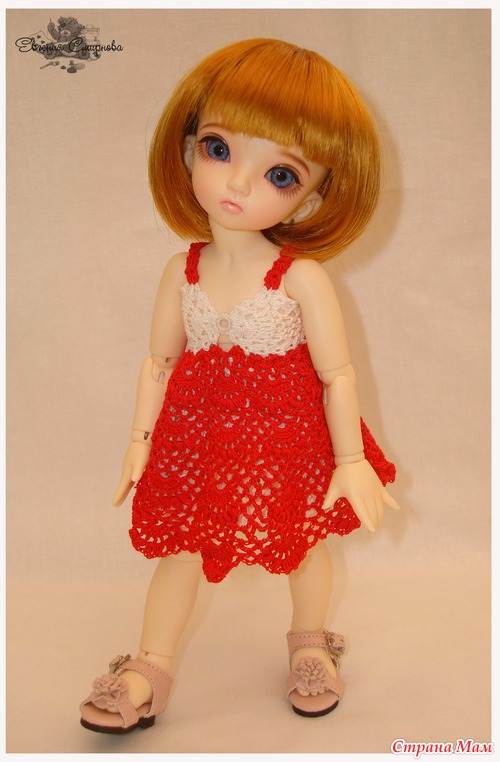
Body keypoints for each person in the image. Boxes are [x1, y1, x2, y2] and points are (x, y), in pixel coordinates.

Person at [80, 38, 399, 734]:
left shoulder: (301, 278)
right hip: (198, 440)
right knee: (180, 548)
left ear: (318, 193)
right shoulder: (181, 271)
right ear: (187, 144)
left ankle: (309, 644)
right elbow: (158, 363)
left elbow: (337, 375)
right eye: (219, 149)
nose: (238, 183)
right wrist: (140, 440)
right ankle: (151, 666)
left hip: (288, 441)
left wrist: (349, 461)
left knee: (303, 547)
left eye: (281, 174)